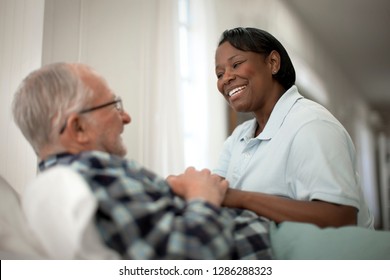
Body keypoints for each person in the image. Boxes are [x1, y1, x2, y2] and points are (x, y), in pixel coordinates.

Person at [12, 62, 270, 260]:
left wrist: (174, 191)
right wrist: (201, 195)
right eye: (114, 105)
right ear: (78, 128)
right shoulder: (89, 175)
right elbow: (190, 258)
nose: (125, 117)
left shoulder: (76, 179)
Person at [213, 27, 374, 229]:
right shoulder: (239, 137)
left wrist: (240, 198)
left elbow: (340, 218)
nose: (225, 78)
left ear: (272, 63)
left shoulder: (312, 125)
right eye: (219, 74)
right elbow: (214, 192)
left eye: (236, 64)